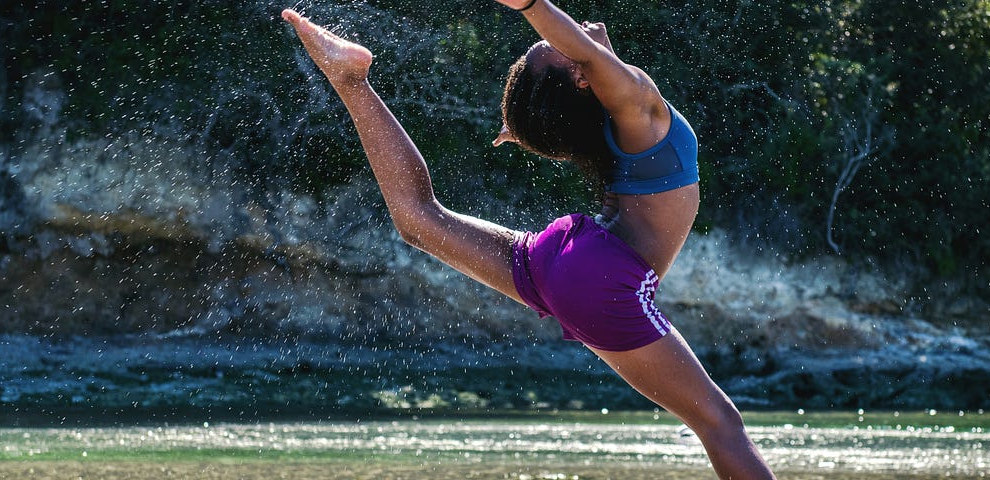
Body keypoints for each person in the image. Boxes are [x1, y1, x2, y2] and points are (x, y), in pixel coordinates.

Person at [282, 1, 775, 478]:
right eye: (558, 46)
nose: (575, 32)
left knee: (420, 219)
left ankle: (350, 81)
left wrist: (526, 122)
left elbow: (570, 90)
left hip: (564, 255)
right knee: (720, 423)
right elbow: (584, 52)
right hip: (599, 274)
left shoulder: (611, 129)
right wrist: (531, 5)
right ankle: (351, 80)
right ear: (582, 74)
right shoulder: (638, 107)